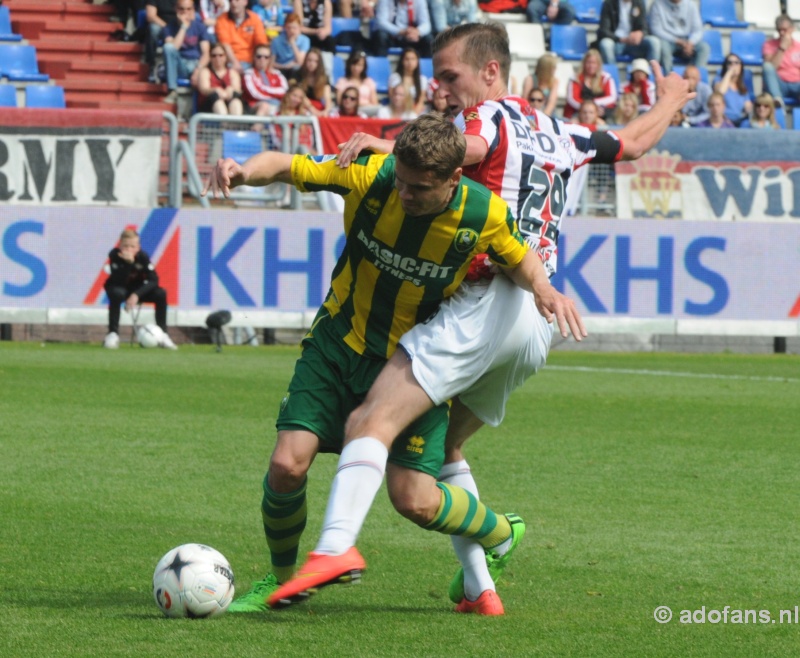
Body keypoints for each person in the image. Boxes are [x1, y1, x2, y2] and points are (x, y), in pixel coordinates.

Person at [279, 21, 694, 614]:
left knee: (371, 419)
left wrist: (391, 148)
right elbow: (631, 143)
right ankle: (482, 589)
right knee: (441, 452)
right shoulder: (563, 131)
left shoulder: (489, 118)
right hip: (537, 324)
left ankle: (334, 548)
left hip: (489, 301)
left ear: (491, 72)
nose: (441, 90)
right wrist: (673, 99)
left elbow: (464, 151)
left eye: (449, 76)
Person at [203, 113, 583, 615]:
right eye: (400, 181)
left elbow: (517, 256)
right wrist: (243, 171)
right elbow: (284, 166)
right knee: (286, 465)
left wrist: (544, 288)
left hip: (412, 363)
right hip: (338, 343)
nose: (404, 194)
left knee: (414, 500)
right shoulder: (370, 175)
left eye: (419, 188)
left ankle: (500, 530)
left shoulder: (481, 212)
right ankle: (279, 581)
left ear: (453, 180)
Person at [103, 229, 177, 350]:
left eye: (132, 246)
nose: (129, 249)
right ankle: (113, 334)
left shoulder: (143, 257)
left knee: (161, 293)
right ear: (120, 246)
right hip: (120, 288)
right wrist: (128, 263)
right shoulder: (114, 255)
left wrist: (136, 295)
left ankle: (163, 334)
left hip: (137, 289)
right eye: (125, 246)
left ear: (138, 247)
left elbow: (154, 280)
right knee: (116, 293)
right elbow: (118, 280)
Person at [162, 0, 210, 104]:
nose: (185, 12)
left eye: (189, 9)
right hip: (180, 65)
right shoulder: (169, 27)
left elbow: (206, 54)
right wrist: (183, 27)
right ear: (176, 9)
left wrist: (198, 71)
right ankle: (172, 90)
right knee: (168, 47)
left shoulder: (200, 26)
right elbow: (173, 48)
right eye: (181, 9)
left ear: (193, 10)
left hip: (196, 64)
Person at [647, 0, 709, 73]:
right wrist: (676, 40)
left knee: (704, 48)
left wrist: (691, 42)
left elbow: (698, 30)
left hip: (686, 40)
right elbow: (656, 30)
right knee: (663, 47)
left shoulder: (691, 5)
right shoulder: (657, 4)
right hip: (667, 40)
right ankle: (668, 77)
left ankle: (695, 78)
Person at [596, 0, 659, 67]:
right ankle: (612, 75)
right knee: (605, 44)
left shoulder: (639, 3)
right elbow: (603, 30)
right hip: (615, 42)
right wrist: (621, 39)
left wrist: (641, 33)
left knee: (654, 42)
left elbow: (645, 27)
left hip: (634, 44)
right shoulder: (609, 3)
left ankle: (650, 74)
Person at [215, 0, 268, 75]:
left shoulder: (254, 18)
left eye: (237, 0)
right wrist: (235, 63)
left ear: (245, 2)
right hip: (231, 61)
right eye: (231, 1)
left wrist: (260, 62)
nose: (233, 3)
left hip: (252, 61)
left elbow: (261, 43)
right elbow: (225, 45)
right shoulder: (222, 19)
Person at [564, 48, 617, 119]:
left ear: (598, 64)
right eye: (588, 62)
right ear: (584, 63)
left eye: (594, 63)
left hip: (601, 111)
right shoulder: (575, 78)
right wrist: (588, 109)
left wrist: (595, 107)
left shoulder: (606, 78)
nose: (591, 66)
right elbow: (572, 99)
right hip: (578, 112)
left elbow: (611, 97)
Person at [761, 14, 800, 107]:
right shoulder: (769, 45)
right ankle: (777, 99)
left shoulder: (798, 46)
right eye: (779, 30)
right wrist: (781, 48)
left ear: (792, 29)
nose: (782, 33)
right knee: (767, 66)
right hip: (779, 84)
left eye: (785, 30)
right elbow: (772, 67)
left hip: (797, 83)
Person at [196, 42, 245, 114]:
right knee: (216, 99)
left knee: (236, 100)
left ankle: (236, 123)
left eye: (221, 55)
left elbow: (237, 89)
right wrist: (215, 90)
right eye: (214, 56)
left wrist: (230, 90)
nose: (217, 58)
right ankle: (223, 123)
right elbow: (204, 89)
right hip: (210, 105)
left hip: (228, 101)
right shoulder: (205, 72)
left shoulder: (232, 73)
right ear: (210, 57)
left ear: (225, 57)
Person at [242, 44, 289, 115]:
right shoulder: (248, 73)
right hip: (254, 106)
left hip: (277, 104)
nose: (262, 59)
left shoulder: (277, 73)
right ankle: (256, 126)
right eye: (259, 56)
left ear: (269, 59)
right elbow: (255, 94)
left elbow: (284, 91)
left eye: (266, 57)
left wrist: (262, 88)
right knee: (264, 106)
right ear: (254, 57)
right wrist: (274, 96)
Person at [712, 54, 752, 127]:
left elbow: (748, 106)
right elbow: (720, 93)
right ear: (725, 66)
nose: (733, 65)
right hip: (723, 120)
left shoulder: (742, 87)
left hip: (739, 121)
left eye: (736, 63)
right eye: (730, 63)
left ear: (741, 66)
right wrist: (729, 72)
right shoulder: (718, 80)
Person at [387, 47, 428, 115]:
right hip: (398, 112)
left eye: (413, 59)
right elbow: (392, 97)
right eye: (407, 59)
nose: (410, 62)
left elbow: (421, 101)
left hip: (416, 113)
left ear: (417, 61)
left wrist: (413, 116)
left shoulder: (422, 79)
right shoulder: (395, 77)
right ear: (402, 61)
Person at [292, 47, 332, 116]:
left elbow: (327, 98)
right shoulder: (298, 74)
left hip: (317, 105)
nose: (311, 64)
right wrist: (313, 110)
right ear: (305, 61)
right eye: (309, 60)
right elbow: (301, 96)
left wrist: (326, 110)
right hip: (301, 105)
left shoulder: (324, 77)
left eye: (315, 61)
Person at [145, 0, 177, 82]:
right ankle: (151, 66)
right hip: (161, 25)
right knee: (153, 29)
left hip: (178, 24)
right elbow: (151, 16)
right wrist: (166, 28)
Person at [270, 13, 310, 79]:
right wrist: (284, 66)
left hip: (295, 69)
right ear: (285, 27)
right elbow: (271, 63)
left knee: (296, 69)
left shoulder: (305, 40)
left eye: (294, 28)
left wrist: (292, 42)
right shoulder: (276, 41)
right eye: (289, 28)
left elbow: (300, 62)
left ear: (299, 28)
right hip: (280, 68)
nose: (291, 31)